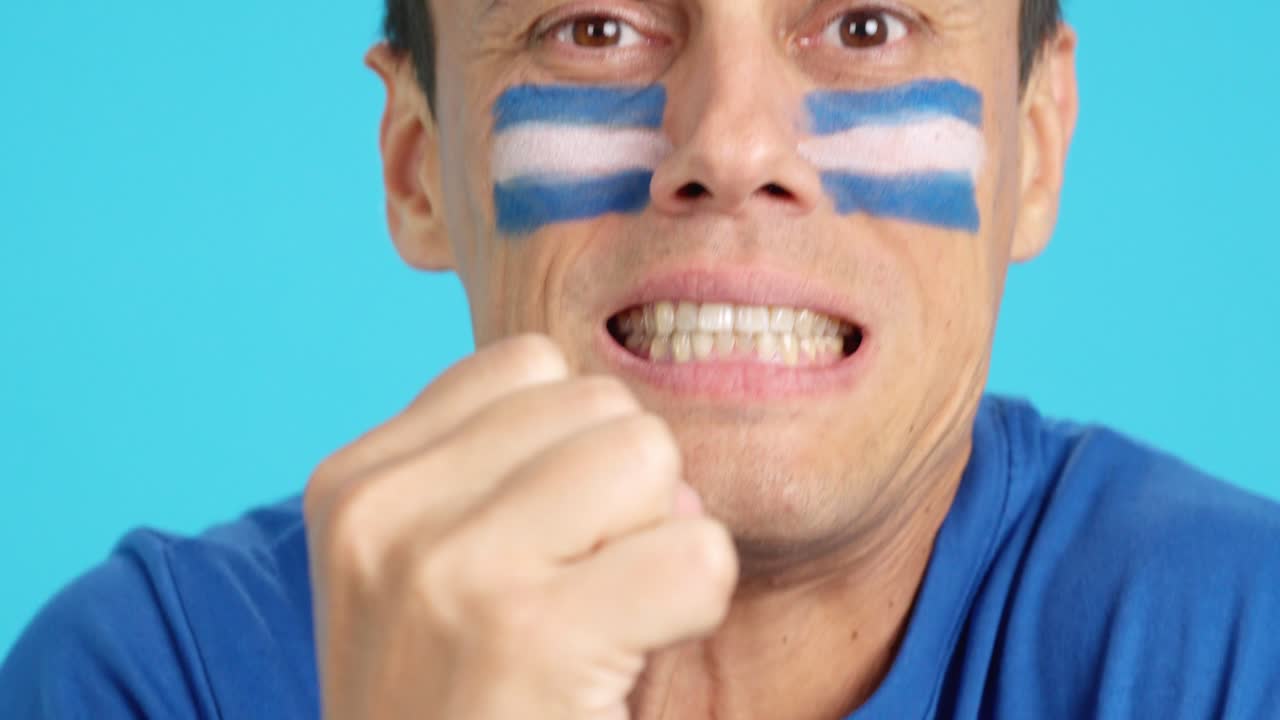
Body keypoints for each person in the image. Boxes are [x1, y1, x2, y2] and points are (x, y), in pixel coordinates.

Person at [4, 0, 1280, 717]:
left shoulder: (1247, 650)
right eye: (594, 29)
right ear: (415, 170)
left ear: (1037, 149)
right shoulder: (147, 680)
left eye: (866, 25)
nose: (729, 146)